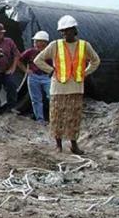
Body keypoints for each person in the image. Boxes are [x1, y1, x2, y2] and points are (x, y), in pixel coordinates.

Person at [33, 15, 100, 154]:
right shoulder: (55, 45)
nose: (65, 33)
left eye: (67, 30)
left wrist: (85, 73)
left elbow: (95, 60)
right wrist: (51, 70)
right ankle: (58, 145)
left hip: (76, 87)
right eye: (62, 31)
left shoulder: (84, 45)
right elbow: (38, 60)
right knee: (57, 116)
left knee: (73, 117)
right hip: (58, 87)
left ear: (75, 30)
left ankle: (73, 144)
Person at [18, 31, 52, 124]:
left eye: (38, 41)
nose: (35, 43)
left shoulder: (50, 53)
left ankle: (54, 118)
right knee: (36, 99)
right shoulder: (30, 52)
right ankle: (40, 120)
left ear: (44, 42)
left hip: (46, 77)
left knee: (51, 97)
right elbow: (19, 60)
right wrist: (26, 70)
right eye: (35, 41)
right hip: (33, 77)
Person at [0, 23, 20, 113]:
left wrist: (13, 68)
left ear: (3, 33)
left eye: (0, 33)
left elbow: (17, 55)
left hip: (6, 71)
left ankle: (11, 108)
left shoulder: (9, 41)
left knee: (11, 87)